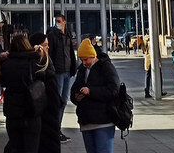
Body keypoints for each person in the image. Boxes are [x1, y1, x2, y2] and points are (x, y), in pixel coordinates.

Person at [0, 33, 44, 153]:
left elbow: (2, 82)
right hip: (31, 111)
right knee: (31, 147)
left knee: (15, 146)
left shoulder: (5, 64)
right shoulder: (33, 62)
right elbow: (46, 77)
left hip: (13, 113)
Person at [71, 38, 120, 153]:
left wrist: (90, 91)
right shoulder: (82, 70)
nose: (83, 63)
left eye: (85, 59)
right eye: (81, 60)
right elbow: (74, 89)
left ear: (92, 56)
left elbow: (113, 90)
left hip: (103, 121)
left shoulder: (105, 67)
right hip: (86, 121)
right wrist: (76, 97)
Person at [30, 32, 63, 153]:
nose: (48, 47)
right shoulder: (40, 63)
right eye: (45, 45)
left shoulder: (46, 61)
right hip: (46, 114)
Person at [46, 13, 76, 142]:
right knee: (56, 102)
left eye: (59, 21)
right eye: (55, 21)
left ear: (64, 22)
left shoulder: (67, 35)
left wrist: (73, 67)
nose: (57, 23)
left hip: (67, 71)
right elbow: (50, 53)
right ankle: (54, 130)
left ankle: (57, 128)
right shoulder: (52, 35)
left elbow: (70, 52)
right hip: (58, 72)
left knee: (63, 101)